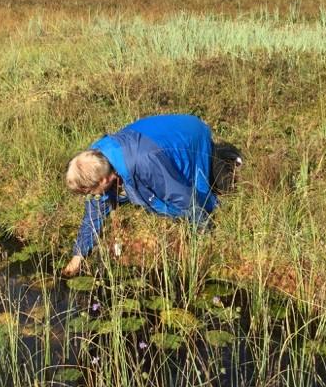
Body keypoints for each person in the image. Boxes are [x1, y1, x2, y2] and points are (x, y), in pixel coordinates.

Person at [62, 114, 224, 276]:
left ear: (104, 180)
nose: (88, 196)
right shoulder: (97, 158)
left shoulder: (145, 162)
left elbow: (184, 198)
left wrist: (202, 236)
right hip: (156, 135)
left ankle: (223, 160)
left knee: (188, 191)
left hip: (190, 135)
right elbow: (95, 211)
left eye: (89, 191)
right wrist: (78, 256)